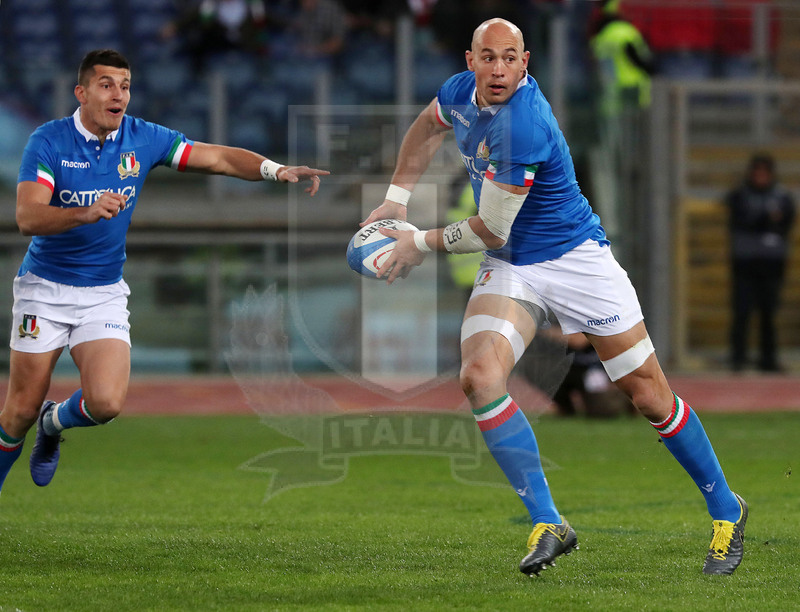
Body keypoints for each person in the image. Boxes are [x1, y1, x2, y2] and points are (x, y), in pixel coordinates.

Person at [361, 18, 746, 576]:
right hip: (513, 266)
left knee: (648, 397)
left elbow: (490, 230)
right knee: (479, 377)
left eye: (509, 58)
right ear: (470, 61)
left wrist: (416, 241)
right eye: (487, 57)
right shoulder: (457, 93)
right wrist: (396, 200)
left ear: (526, 62)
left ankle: (726, 509)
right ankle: (549, 522)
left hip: (577, 262)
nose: (497, 69)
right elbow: (425, 127)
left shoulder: (525, 125)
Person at [0, 49, 328, 498]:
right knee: (16, 412)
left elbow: (216, 158)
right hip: (45, 290)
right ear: (81, 92)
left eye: (126, 85)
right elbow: (27, 217)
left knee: (107, 403)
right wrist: (85, 212)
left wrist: (274, 169)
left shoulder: (143, 138)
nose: (120, 95)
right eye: (107, 84)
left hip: (103, 292)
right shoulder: (49, 141)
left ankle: (53, 422)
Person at [726, 153, 795, 372]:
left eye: (764, 173)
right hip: (745, 262)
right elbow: (739, 219)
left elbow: (786, 222)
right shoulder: (740, 195)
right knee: (742, 311)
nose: (760, 177)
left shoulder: (782, 196)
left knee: (768, 313)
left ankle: (768, 360)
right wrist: (765, 219)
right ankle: (738, 358)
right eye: (757, 173)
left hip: (772, 264)